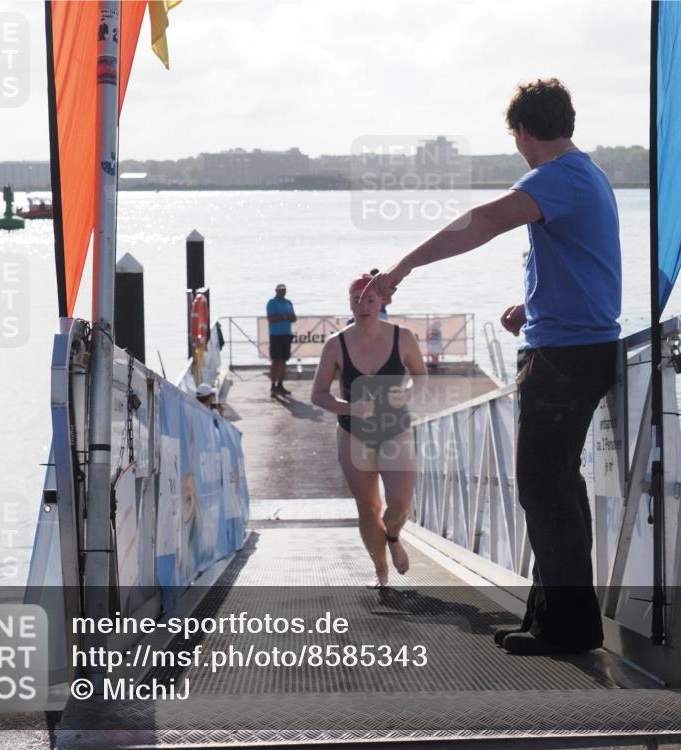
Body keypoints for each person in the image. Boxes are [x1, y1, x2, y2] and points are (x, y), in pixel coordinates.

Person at [366, 78, 621, 654]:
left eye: (516, 137)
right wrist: (533, 305)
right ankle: (554, 617)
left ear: (524, 132)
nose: (518, 148)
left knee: (543, 487)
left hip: (564, 357)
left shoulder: (557, 177)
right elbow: (592, 262)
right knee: (556, 487)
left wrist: (401, 269)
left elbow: (480, 222)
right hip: (574, 344)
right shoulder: (589, 177)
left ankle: (569, 629)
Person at [311, 274, 427, 588]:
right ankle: (381, 573)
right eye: (356, 300)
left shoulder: (402, 337)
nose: (362, 306)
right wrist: (351, 408)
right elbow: (317, 394)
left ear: (382, 302)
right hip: (353, 434)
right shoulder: (336, 345)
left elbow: (421, 376)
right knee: (369, 506)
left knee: (400, 502)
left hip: (395, 431)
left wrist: (407, 394)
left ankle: (393, 537)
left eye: (369, 300)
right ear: (348, 303)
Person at [266, 283, 296, 396]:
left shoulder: (288, 303)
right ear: (276, 290)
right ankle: (273, 385)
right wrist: (285, 317)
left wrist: (283, 317)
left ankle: (280, 385)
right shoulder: (272, 302)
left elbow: (294, 318)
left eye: (284, 290)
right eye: (280, 290)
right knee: (275, 360)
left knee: (283, 360)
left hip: (286, 334)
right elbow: (271, 318)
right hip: (275, 335)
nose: (283, 292)